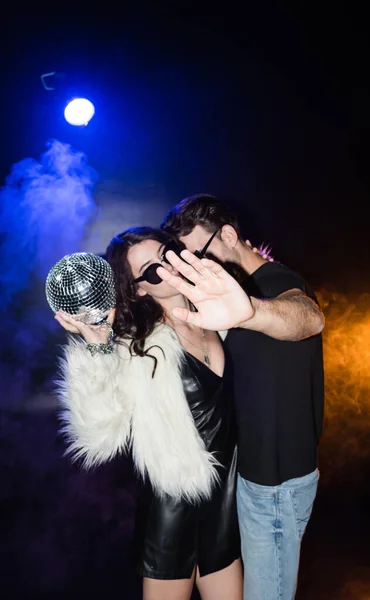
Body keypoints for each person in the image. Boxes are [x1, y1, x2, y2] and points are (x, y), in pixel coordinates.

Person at [54, 227, 252, 600]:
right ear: (139, 288)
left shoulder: (218, 317)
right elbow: (100, 433)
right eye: (151, 269)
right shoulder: (140, 347)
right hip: (173, 506)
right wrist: (98, 351)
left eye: (168, 253)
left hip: (225, 504)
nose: (167, 267)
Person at [160, 195, 325, 600]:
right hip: (250, 479)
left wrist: (249, 312)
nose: (198, 266)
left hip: (276, 486)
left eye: (199, 253)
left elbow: (308, 317)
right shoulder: (226, 300)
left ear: (229, 235)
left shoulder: (278, 284)